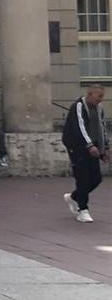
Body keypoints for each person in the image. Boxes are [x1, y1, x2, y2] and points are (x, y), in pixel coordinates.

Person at [62, 83, 107, 224]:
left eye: (102, 97)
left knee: (96, 178)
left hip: (92, 147)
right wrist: (89, 145)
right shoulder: (79, 106)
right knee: (82, 177)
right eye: (98, 96)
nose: (100, 99)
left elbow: (101, 128)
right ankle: (83, 210)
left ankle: (74, 196)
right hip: (77, 146)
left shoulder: (99, 109)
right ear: (90, 94)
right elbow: (80, 127)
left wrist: (104, 149)